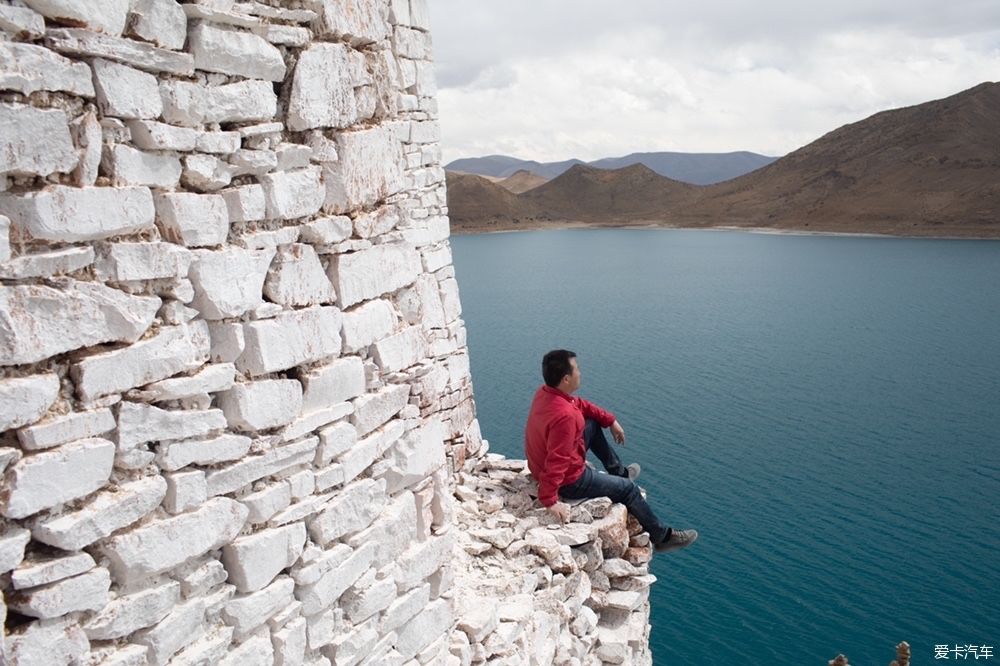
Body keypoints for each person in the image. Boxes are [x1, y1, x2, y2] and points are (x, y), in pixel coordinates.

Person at [524, 349, 698, 553]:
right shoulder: (565, 416)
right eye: (577, 369)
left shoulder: (545, 393)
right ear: (566, 379)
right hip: (570, 481)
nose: (580, 373)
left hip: (539, 464)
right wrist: (550, 500)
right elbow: (558, 459)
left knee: (592, 424)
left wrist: (610, 420)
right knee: (628, 490)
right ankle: (662, 536)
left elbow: (581, 405)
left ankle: (618, 471)